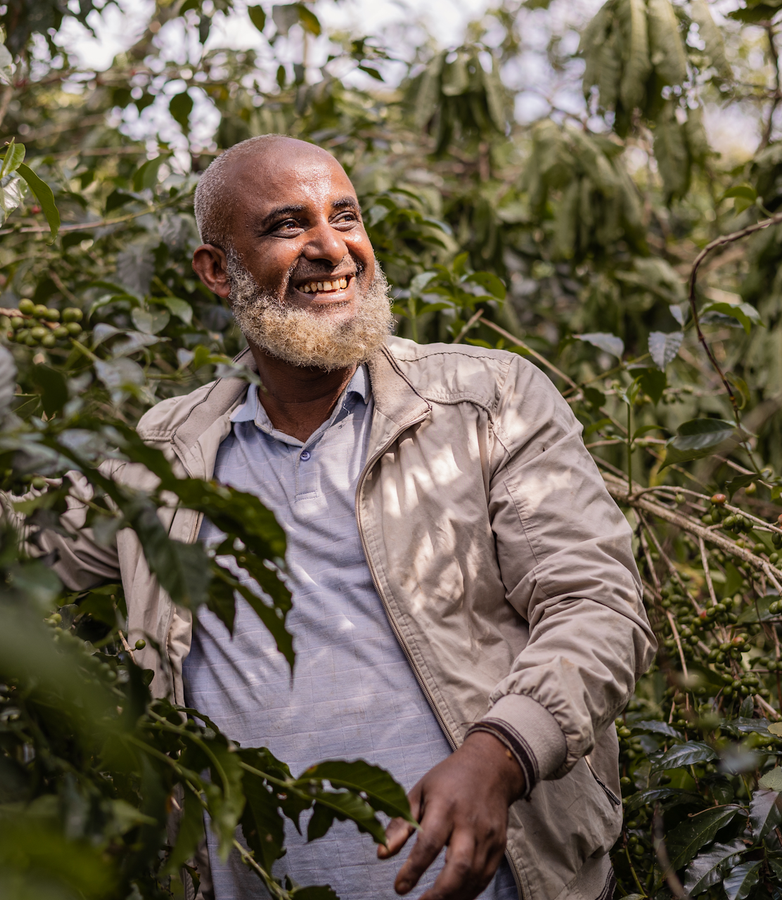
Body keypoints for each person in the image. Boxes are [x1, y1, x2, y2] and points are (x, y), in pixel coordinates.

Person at [43, 134, 656, 900]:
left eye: (346, 218)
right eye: (285, 225)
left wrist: (499, 753)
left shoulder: (486, 401)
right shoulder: (166, 451)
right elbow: (3, 550)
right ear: (215, 271)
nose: (332, 249)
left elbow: (596, 607)